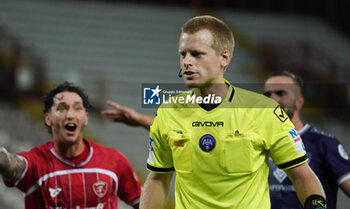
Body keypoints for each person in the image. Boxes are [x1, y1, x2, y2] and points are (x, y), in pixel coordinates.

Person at [102, 15, 326, 209]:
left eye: (197, 54)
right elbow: (158, 178)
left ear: (224, 58)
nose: (187, 62)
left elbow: (303, 175)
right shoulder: (168, 112)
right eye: (183, 54)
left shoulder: (264, 111)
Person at [0, 82, 142, 209]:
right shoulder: (36, 162)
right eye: (62, 108)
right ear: (48, 118)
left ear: (86, 118)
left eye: (77, 108)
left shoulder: (114, 161)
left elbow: (143, 203)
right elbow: (14, 166)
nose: (70, 115)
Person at [264, 71, 350, 209]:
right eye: (267, 95)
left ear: (299, 102)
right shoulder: (258, 141)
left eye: (281, 93)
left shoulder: (325, 144)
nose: (272, 99)